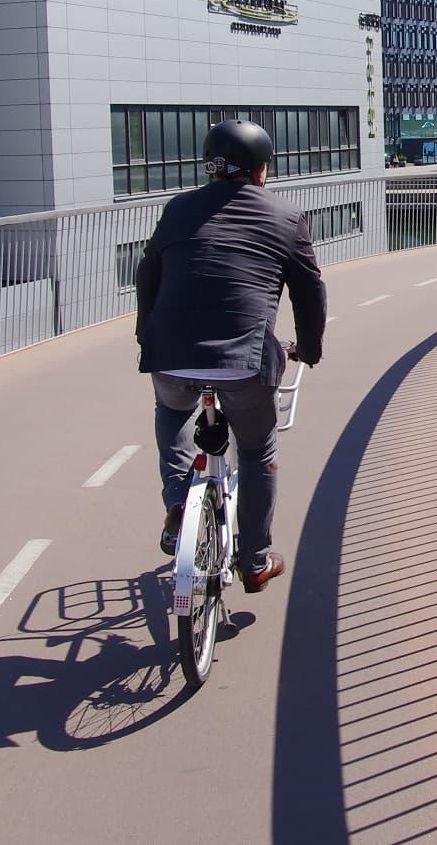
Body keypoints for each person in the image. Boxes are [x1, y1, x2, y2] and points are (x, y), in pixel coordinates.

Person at [133, 119, 326, 593]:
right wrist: (310, 348)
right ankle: (255, 561)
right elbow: (309, 291)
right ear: (263, 169)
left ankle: (179, 505)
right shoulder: (284, 216)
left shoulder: (177, 210)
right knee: (258, 449)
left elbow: (147, 277)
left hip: (171, 352)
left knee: (172, 411)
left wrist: (148, 338)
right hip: (246, 359)